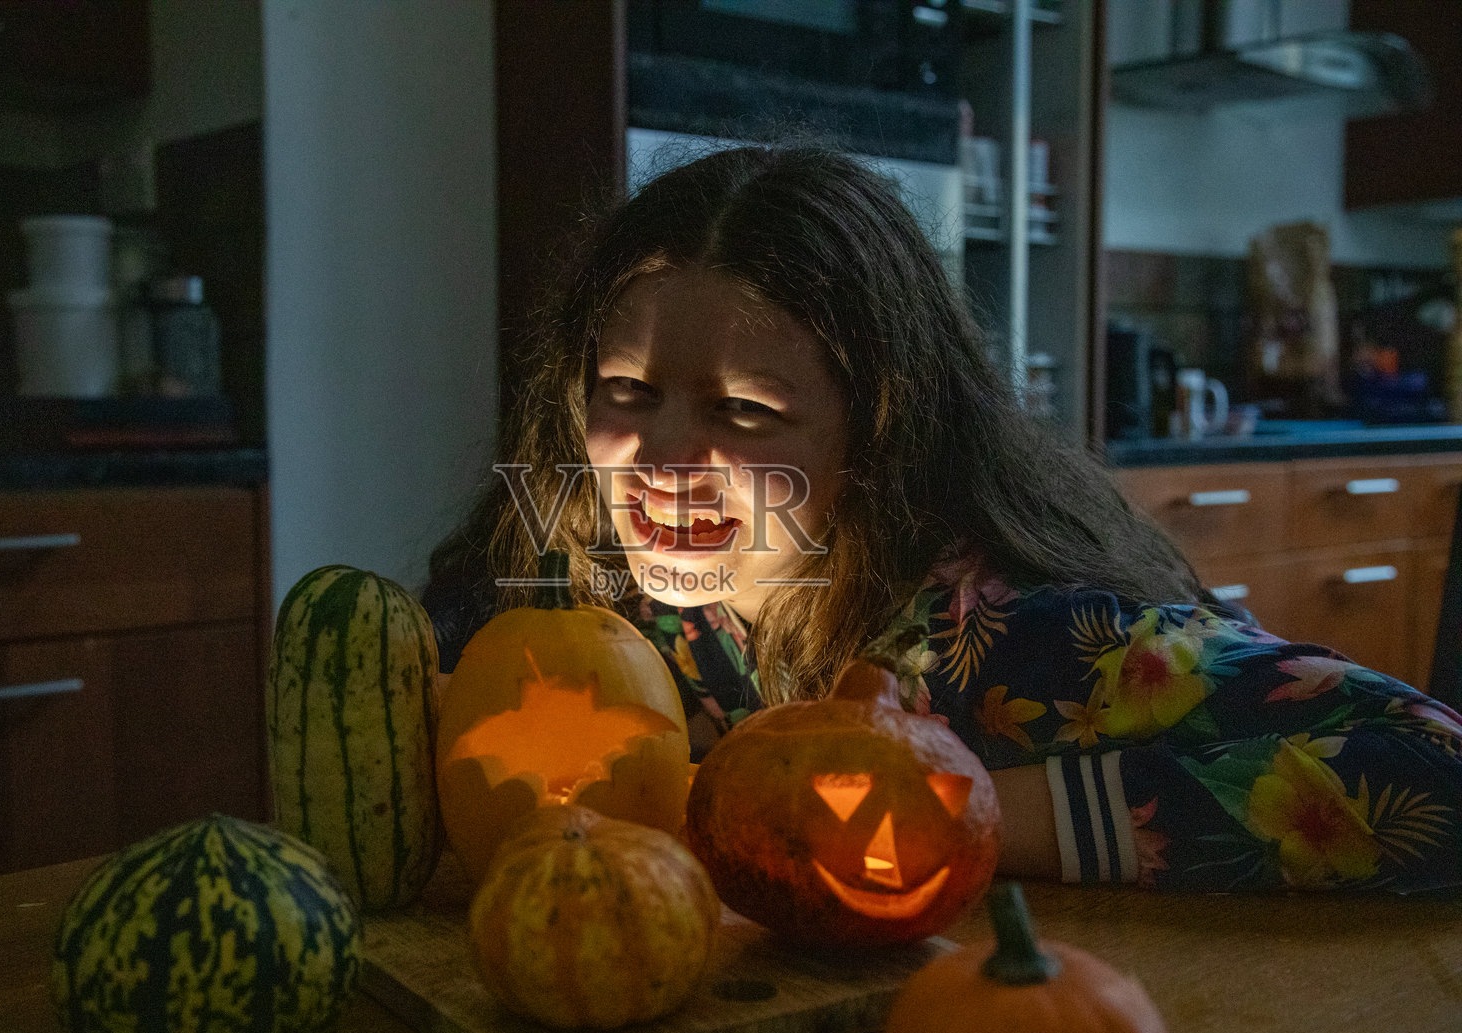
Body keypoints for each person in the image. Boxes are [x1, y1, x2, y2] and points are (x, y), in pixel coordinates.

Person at [425, 144, 1462, 893]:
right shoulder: (579, 589)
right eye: (627, 392)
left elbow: (1434, 767)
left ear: (878, 429)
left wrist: (939, 808)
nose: (658, 459)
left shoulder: (1015, 643)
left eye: (742, 411)